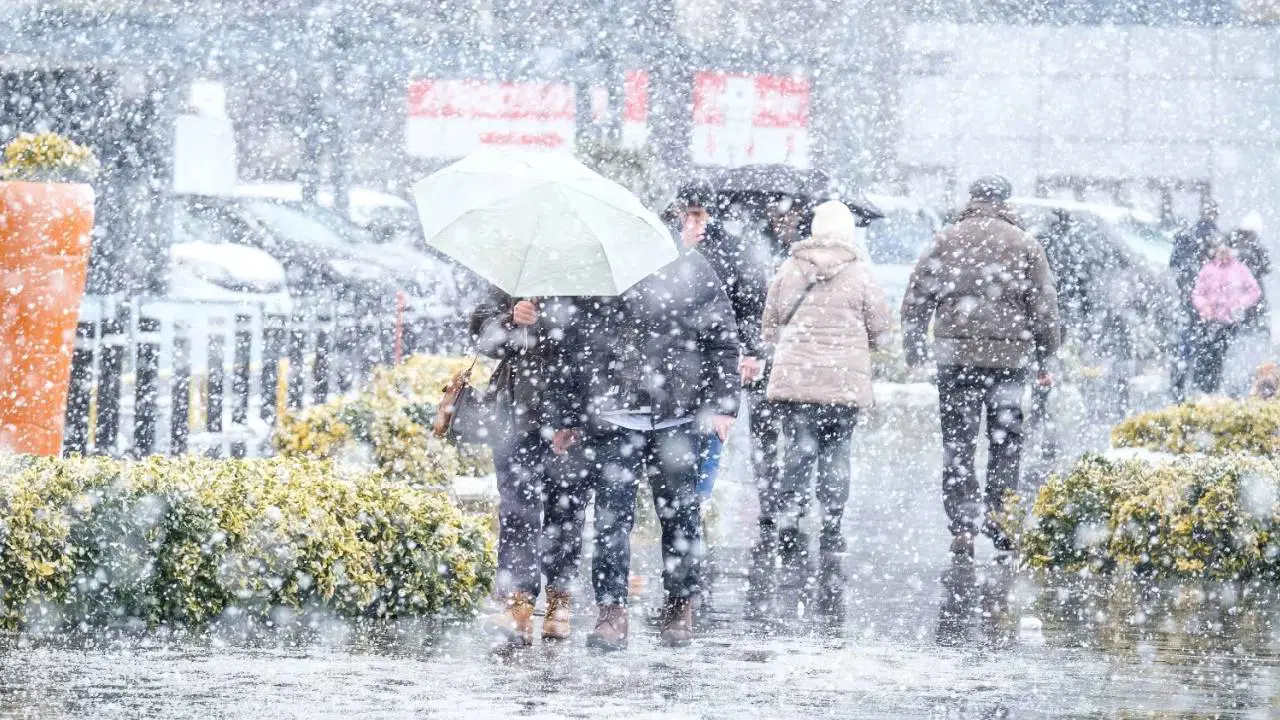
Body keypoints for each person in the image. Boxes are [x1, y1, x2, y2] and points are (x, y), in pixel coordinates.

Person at [551, 245, 740, 650]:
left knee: (680, 516)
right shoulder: (598, 270)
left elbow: (722, 339)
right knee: (610, 519)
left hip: (677, 417)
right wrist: (569, 414)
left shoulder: (690, 266)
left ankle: (679, 604)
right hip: (615, 418)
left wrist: (723, 406)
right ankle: (611, 610)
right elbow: (574, 343)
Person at [901, 175, 1061, 561]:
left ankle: (962, 527)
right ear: (1006, 201)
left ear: (972, 199)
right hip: (1008, 359)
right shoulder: (1025, 243)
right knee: (1005, 442)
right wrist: (1046, 357)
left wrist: (915, 353)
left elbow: (916, 299)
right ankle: (1001, 521)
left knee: (958, 444)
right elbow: (1043, 306)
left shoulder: (945, 239)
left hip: (955, 359)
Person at [758, 200, 891, 615]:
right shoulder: (860, 271)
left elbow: (770, 322)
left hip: (798, 380)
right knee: (837, 451)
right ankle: (832, 522)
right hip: (843, 383)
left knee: (799, 448)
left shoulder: (791, 266)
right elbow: (882, 328)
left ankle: (791, 518)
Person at [469, 292, 588, 646]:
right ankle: (517, 601)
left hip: (567, 412)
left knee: (565, 510)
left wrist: (572, 418)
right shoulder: (513, 273)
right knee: (516, 511)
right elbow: (482, 336)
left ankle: (559, 600)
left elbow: (594, 343)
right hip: (513, 415)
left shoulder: (583, 281)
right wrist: (510, 320)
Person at [1191, 242, 1261, 395]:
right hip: (1210, 323)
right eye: (1220, 250)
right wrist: (1204, 306)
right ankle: (1209, 391)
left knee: (1229, 359)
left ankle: (1227, 392)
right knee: (1209, 360)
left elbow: (1254, 291)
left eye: (1226, 250)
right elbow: (1197, 293)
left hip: (1232, 322)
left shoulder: (1240, 269)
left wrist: (1240, 303)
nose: (1223, 254)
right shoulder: (1207, 270)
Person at [1170, 199, 1221, 402]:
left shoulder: (1189, 235)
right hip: (1207, 299)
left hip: (1189, 295)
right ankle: (1202, 389)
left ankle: (1179, 387)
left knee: (1186, 342)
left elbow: (1174, 264)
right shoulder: (1213, 236)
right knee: (1206, 345)